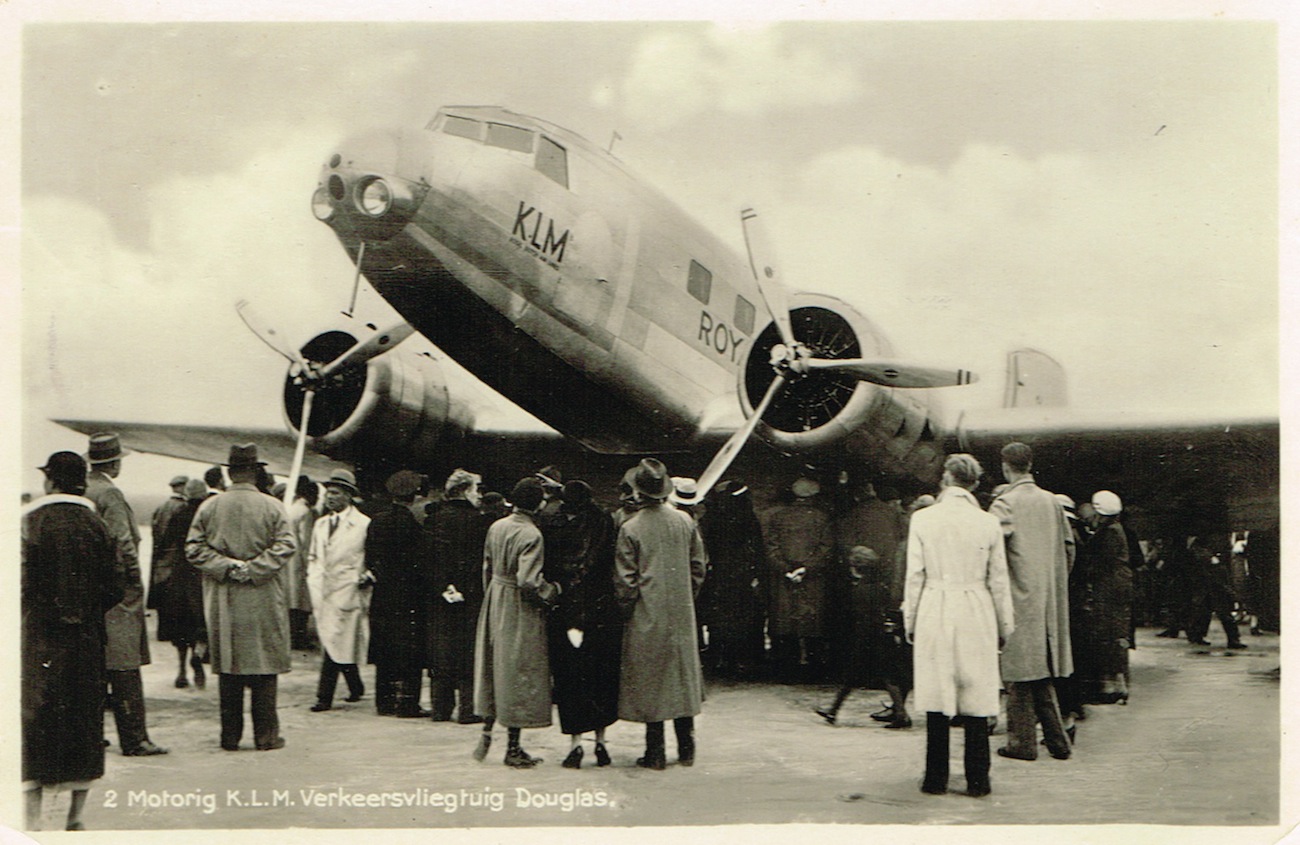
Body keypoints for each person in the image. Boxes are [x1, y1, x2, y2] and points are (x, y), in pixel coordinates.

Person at [23, 452, 124, 831]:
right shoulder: (99, 526)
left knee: (36, 720)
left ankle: (32, 819)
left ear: (51, 481)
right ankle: (75, 816)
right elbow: (116, 585)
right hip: (87, 640)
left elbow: (18, 582)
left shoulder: (30, 523)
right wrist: (88, 610)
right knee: (84, 720)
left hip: (39, 639)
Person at [904, 453, 1014, 798]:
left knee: (937, 691)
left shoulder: (923, 519)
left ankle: (935, 778)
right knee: (977, 693)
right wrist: (1004, 626)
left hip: (935, 604)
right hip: (976, 607)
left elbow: (915, 575)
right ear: (975, 483)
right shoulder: (988, 522)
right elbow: (999, 579)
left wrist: (911, 619)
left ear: (946, 479)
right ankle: (978, 780)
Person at [185, 443, 295, 751]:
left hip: (225, 596)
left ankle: (230, 736)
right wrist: (254, 568)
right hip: (263, 595)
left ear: (230, 473)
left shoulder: (209, 507)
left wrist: (227, 567)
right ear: (255, 472)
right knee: (264, 664)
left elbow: (193, 548)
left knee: (229, 665)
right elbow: (286, 545)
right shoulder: (273, 506)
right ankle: (266, 736)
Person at [615, 458, 708, 770]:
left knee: (651, 679)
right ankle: (687, 749)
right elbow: (698, 567)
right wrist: (686, 595)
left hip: (646, 612)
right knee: (681, 677)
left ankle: (655, 753)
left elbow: (626, 580)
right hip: (681, 611)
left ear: (638, 492)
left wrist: (627, 610)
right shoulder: (685, 522)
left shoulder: (630, 528)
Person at [987, 442, 1074, 761]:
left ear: (1005, 467)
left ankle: (1021, 743)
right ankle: (1057, 741)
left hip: (1016, 599)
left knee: (1018, 673)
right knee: (1039, 671)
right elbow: (1069, 548)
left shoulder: (1004, 504)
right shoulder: (1052, 502)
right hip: (1048, 599)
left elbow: (988, 548)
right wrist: (1053, 581)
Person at [83, 433, 168, 757]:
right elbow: (123, 543)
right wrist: (133, 582)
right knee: (124, 666)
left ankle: (92, 735)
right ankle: (135, 739)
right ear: (115, 463)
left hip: (90, 591)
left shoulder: (83, 488)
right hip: (116, 592)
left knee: (94, 667)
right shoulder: (110, 493)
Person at [472, 477, 561, 767]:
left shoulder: (497, 526)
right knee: (518, 669)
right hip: (518, 605)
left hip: (495, 598)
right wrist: (552, 592)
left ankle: (486, 732)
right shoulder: (532, 534)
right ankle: (513, 747)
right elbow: (528, 581)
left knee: (493, 666)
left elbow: (486, 567)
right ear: (536, 504)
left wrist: (492, 596)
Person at [546, 480, 622, 768]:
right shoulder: (604, 521)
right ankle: (601, 743)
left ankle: (575, 744)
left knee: (570, 677)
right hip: (600, 609)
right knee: (601, 676)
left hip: (565, 609)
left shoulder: (553, 524)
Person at [830, 479, 909, 723]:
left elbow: (844, 544)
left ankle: (899, 712)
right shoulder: (892, 514)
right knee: (886, 669)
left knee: (870, 668)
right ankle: (897, 711)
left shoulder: (852, 517)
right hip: (887, 585)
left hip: (868, 625)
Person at [816, 544, 913, 729]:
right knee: (888, 677)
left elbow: (863, 619)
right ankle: (833, 711)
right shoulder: (879, 586)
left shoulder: (860, 590)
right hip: (881, 638)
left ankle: (900, 714)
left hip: (867, 639)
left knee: (856, 678)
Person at [427, 468, 491, 723]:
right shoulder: (478, 521)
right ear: (465, 491)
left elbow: (430, 558)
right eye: (476, 489)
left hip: (440, 593)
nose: (479, 495)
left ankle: (440, 708)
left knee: (441, 649)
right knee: (467, 650)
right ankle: (468, 708)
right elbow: (478, 561)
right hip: (470, 593)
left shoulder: (435, 517)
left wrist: (444, 586)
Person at [307, 469, 373, 711]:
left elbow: (370, 556)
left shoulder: (363, 524)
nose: (329, 497)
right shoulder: (321, 524)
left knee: (334, 638)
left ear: (348, 495)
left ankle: (323, 696)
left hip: (348, 588)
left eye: (335, 493)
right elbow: (314, 555)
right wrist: (312, 577)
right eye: (328, 493)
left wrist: (364, 577)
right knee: (335, 639)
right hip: (322, 588)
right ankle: (355, 685)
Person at [367, 470, 431, 717]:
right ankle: (407, 703)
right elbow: (420, 563)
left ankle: (383, 702)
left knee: (385, 647)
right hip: (408, 596)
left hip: (383, 593)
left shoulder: (377, 521)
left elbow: (370, 558)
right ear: (414, 495)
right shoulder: (414, 526)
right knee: (409, 650)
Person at [764, 476, 834, 679]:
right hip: (812, 579)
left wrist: (786, 569)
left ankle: (786, 669)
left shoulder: (778, 517)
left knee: (784, 622)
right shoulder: (822, 518)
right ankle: (814, 669)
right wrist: (806, 569)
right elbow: (826, 549)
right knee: (812, 623)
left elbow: (771, 549)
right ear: (813, 496)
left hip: (784, 578)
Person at [696, 480, 766, 678]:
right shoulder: (748, 518)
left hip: (719, 575)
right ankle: (742, 660)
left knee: (720, 619)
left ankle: (719, 658)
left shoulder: (711, 518)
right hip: (741, 575)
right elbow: (756, 548)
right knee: (743, 618)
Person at [153, 479, 211, 689]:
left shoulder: (179, 514)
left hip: (180, 573)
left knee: (181, 624)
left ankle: (181, 671)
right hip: (202, 573)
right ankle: (199, 655)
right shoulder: (207, 514)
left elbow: (164, 543)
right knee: (202, 620)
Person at [1184, 534, 1247, 650]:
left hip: (1211, 576)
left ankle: (1197, 635)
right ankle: (1232, 639)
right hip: (1212, 576)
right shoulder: (1211, 539)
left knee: (1206, 609)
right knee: (1219, 609)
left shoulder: (1206, 540)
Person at [285, 475, 318, 650]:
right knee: (301, 601)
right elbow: (307, 541)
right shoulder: (306, 513)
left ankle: (291, 636)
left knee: (291, 600)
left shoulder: (292, 508)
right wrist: (311, 564)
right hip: (300, 561)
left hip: (289, 559)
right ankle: (299, 637)